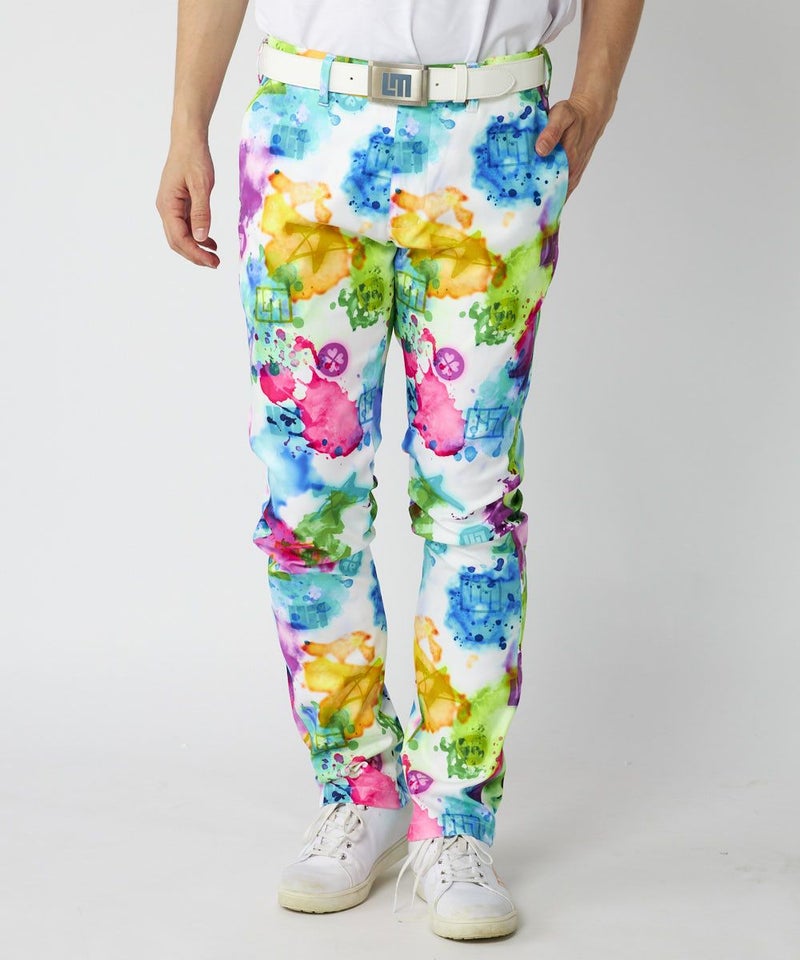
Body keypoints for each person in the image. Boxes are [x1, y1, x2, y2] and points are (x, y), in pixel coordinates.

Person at [157, 0, 643, 942]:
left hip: (494, 135)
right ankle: (359, 790)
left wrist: (597, 95)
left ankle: (455, 820)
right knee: (309, 503)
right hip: (305, 137)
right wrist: (186, 123)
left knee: (474, 501)